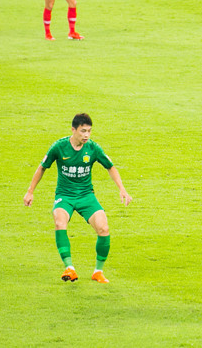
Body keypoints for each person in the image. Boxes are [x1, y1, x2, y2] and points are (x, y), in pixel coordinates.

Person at [24, 113, 132, 284]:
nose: (86, 135)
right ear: (73, 130)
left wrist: (122, 189)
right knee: (60, 223)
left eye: (89, 131)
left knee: (103, 228)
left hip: (86, 195)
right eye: (83, 131)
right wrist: (30, 191)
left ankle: (98, 272)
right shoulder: (59, 147)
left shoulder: (93, 148)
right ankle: (69, 267)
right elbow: (42, 167)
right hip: (64, 196)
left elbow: (110, 167)